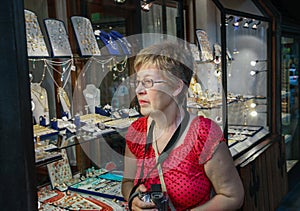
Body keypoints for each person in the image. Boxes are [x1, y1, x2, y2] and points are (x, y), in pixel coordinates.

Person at [121, 41, 244, 211]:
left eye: (148, 82)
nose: (139, 90)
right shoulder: (137, 131)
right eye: (138, 82)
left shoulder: (203, 134)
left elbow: (232, 196)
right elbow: (127, 183)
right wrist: (133, 198)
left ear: (177, 87)